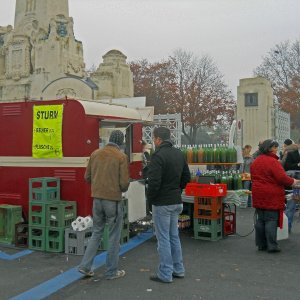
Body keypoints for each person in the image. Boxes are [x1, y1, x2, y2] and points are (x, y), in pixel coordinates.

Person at [78, 130, 130, 279]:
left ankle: (85, 266)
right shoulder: (121, 156)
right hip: (112, 201)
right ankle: (111, 271)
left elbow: (87, 177)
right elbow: (124, 183)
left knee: (96, 232)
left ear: (109, 139)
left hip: (97, 200)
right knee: (114, 236)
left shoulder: (95, 154)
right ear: (121, 142)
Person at [147, 127, 191, 283]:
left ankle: (165, 273)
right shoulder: (179, 154)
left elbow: (153, 182)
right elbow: (187, 176)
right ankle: (178, 269)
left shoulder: (157, 156)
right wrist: (177, 189)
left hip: (162, 203)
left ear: (158, 139)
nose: (153, 141)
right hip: (176, 200)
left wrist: (150, 198)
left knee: (163, 238)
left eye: (153, 138)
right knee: (173, 236)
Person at [250, 139, 300, 253]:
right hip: (271, 194)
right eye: (275, 147)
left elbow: (253, 177)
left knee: (261, 220)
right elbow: (282, 178)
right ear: (270, 148)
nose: (277, 149)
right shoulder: (273, 162)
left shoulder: (256, 161)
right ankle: (272, 245)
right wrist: (294, 181)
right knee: (271, 220)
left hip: (258, 193)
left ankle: (261, 244)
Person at [282, 140, 300, 232]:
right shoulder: (291, 153)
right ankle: (287, 227)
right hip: (296, 186)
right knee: (291, 205)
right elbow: (287, 166)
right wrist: (297, 164)